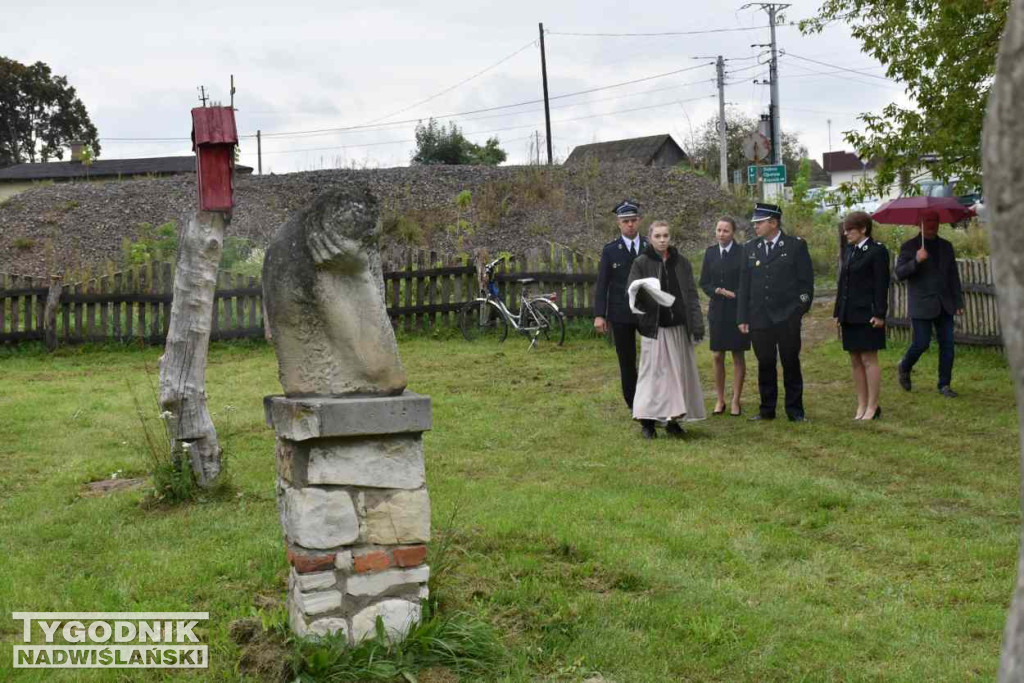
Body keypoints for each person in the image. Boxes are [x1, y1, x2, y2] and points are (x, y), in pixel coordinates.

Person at [627, 220, 706, 439]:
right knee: (652, 376)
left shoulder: (681, 263)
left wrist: (696, 323)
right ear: (650, 238)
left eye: (665, 236)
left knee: (677, 376)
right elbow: (633, 292)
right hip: (655, 328)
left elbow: (690, 294)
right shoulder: (641, 263)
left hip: (678, 327)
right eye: (657, 236)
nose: (662, 240)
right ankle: (647, 422)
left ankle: (672, 421)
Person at [736, 202, 814, 422]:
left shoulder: (795, 246)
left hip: (787, 315)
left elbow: (806, 284)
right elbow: (744, 286)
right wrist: (742, 316)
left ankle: (795, 410)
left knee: (790, 361)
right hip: (760, 317)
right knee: (765, 362)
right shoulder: (750, 248)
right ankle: (767, 409)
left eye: (759, 222)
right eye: (755, 223)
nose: (756, 227)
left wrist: (798, 310)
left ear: (774, 223)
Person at [894, 209, 965, 397]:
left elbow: (953, 277)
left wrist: (958, 301)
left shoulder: (946, 246)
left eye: (935, 220)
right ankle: (904, 366)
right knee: (921, 343)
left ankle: (944, 385)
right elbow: (899, 273)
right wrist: (916, 260)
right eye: (927, 220)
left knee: (948, 345)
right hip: (922, 304)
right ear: (919, 223)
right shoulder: (910, 247)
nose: (932, 224)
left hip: (945, 303)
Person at [834, 211, 890, 420]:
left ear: (863, 229)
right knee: (855, 359)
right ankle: (861, 404)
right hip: (849, 313)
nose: (846, 233)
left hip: (868, 313)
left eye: (850, 230)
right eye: (845, 230)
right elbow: (843, 283)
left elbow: (881, 285)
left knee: (868, 358)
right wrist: (838, 311)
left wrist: (879, 314)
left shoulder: (877, 251)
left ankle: (873, 406)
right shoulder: (850, 251)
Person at [594, 200, 648, 411]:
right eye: (626, 221)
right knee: (627, 360)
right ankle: (634, 403)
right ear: (618, 223)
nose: (630, 225)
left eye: (633, 220)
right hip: (621, 313)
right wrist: (600, 315)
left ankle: (651, 396)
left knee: (652, 357)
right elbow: (602, 285)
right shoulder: (610, 251)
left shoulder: (649, 246)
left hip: (647, 312)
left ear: (639, 221)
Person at [699, 216, 749, 417]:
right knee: (718, 355)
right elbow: (704, 282)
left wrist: (735, 294)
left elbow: (747, 281)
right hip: (717, 310)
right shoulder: (710, 253)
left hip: (737, 310)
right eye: (718, 230)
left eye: (725, 231)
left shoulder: (743, 253)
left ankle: (736, 399)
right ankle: (720, 399)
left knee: (738, 354)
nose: (721, 234)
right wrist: (718, 290)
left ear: (733, 233)